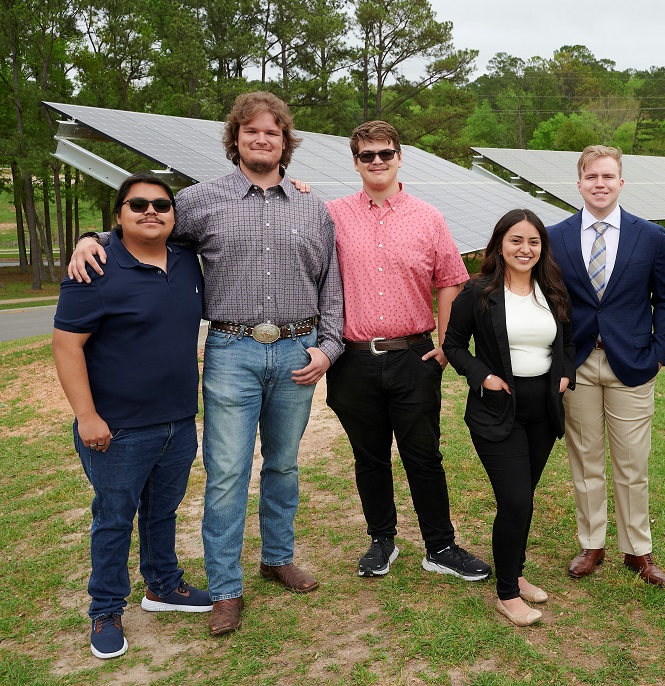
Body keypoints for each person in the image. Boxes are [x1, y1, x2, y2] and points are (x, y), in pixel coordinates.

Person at [67, 92, 344, 637]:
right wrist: (89, 239)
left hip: (298, 352)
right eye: (250, 131)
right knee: (227, 474)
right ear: (235, 139)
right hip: (231, 352)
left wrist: (328, 346)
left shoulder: (313, 207)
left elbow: (330, 279)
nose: (261, 139)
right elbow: (143, 225)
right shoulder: (199, 200)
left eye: (272, 132)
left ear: (285, 141)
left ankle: (277, 557)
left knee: (283, 465)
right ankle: (225, 589)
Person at [54, 173, 211, 659]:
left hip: (178, 420)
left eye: (161, 205)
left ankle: (162, 585)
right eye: (137, 204)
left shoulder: (186, 260)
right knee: (114, 518)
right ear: (118, 214)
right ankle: (105, 609)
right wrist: (86, 416)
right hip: (117, 428)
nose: (151, 212)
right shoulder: (94, 268)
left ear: (173, 215)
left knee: (162, 511)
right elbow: (66, 346)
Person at [324, 120, 490, 582]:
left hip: (413, 357)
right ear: (355, 162)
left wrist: (446, 343)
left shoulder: (428, 217)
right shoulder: (331, 215)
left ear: (400, 157)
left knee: (423, 455)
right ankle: (382, 540)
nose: (377, 161)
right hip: (354, 358)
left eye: (385, 153)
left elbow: (450, 280)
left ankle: (440, 545)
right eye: (367, 155)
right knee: (369, 457)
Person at [548, 145, 665, 586]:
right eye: (591, 177)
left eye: (607, 176)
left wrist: (659, 353)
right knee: (586, 459)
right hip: (579, 363)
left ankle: (638, 549)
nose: (599, 184)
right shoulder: (556, 236)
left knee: (632, 463)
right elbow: (551, 299)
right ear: (579, 183)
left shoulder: (651, 235)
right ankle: (592, 543)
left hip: (633, 363)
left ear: (621, 182)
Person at [443, 209, 575, 626]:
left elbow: (568, 341)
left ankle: (515, 574)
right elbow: (453, 344)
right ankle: (506, 594)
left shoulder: (552, 289)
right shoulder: (479, 291)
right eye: (516, 240)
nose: (525, 249)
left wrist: (565, 374)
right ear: (500, 244)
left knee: (524, 499)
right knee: (515, 500)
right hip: (498, 409)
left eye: (533, 241)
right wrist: (484, 376)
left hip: (544, 409)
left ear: (542, 247)